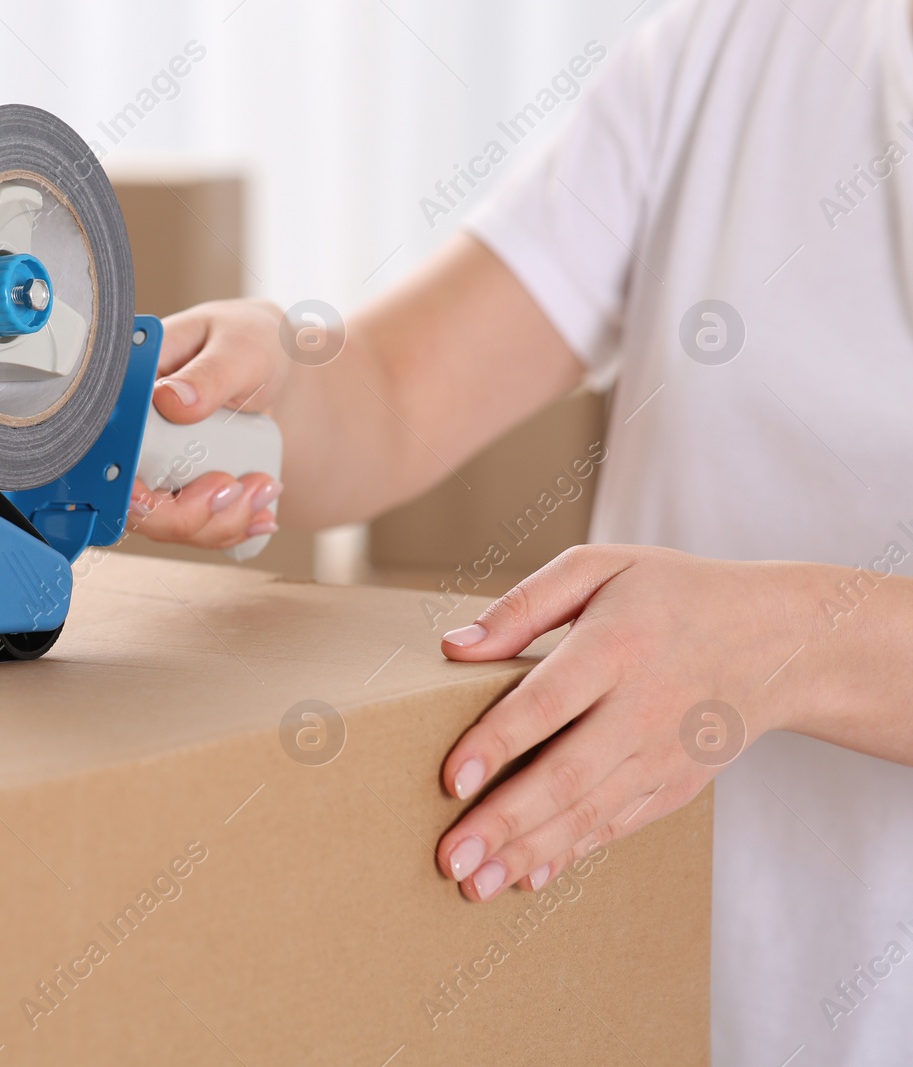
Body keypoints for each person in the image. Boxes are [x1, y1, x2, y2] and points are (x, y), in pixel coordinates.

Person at [129, 0, 913, 1063]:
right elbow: (400, 390)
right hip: (661, 990)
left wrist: (783, 645)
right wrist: (268, 374)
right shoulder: (732, 47)